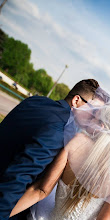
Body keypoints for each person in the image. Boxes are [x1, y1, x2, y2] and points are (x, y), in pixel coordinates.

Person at [9, 88, 110, 220]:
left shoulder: (76, 142)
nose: (89, 122)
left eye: (94, 119)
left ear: (102, 125)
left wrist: (4, 213)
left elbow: (41, 190)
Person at [0, 79, 99, 220]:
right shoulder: (59, 130)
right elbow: (19, 177)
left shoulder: (35, 101)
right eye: (93, 111)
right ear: (76, 100)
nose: (94, 116)